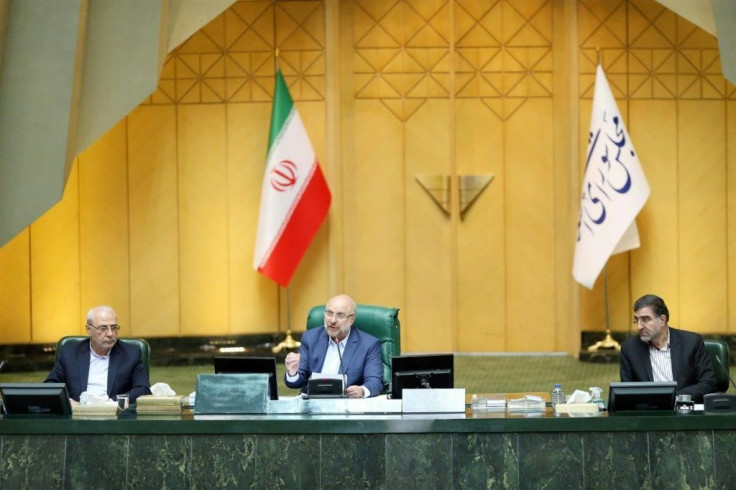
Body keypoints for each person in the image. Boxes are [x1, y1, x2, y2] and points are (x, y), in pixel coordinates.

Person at [620, 294, 718, 402]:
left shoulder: (691, 342)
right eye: (636, 320)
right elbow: (627, 391)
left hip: (685, 409)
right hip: (649, 412)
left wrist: (673, 398)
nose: (639, 326)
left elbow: (708, 383)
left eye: (645, 319)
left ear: (662, 320)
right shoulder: (630, 348)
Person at [45, 305, 151, 403]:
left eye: (114, 328)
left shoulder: (131, 353)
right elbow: (50, 386)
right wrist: (69, 402)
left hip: (114, 415)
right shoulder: (70, 353)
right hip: (78, 414)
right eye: (103, 328)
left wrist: (112, 403)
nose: (110, 334)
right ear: (89, 330)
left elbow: (143, 389)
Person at [284, 294, 383, 398]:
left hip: (347, 406)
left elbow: (375, 381)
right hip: (313, 405)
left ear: (351, 319)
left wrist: (362, 390)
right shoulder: (310, 338)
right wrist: (293, 373)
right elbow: (296, 383)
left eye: (340, 315)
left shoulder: (369, 344)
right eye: (329, 313)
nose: (332, 320)